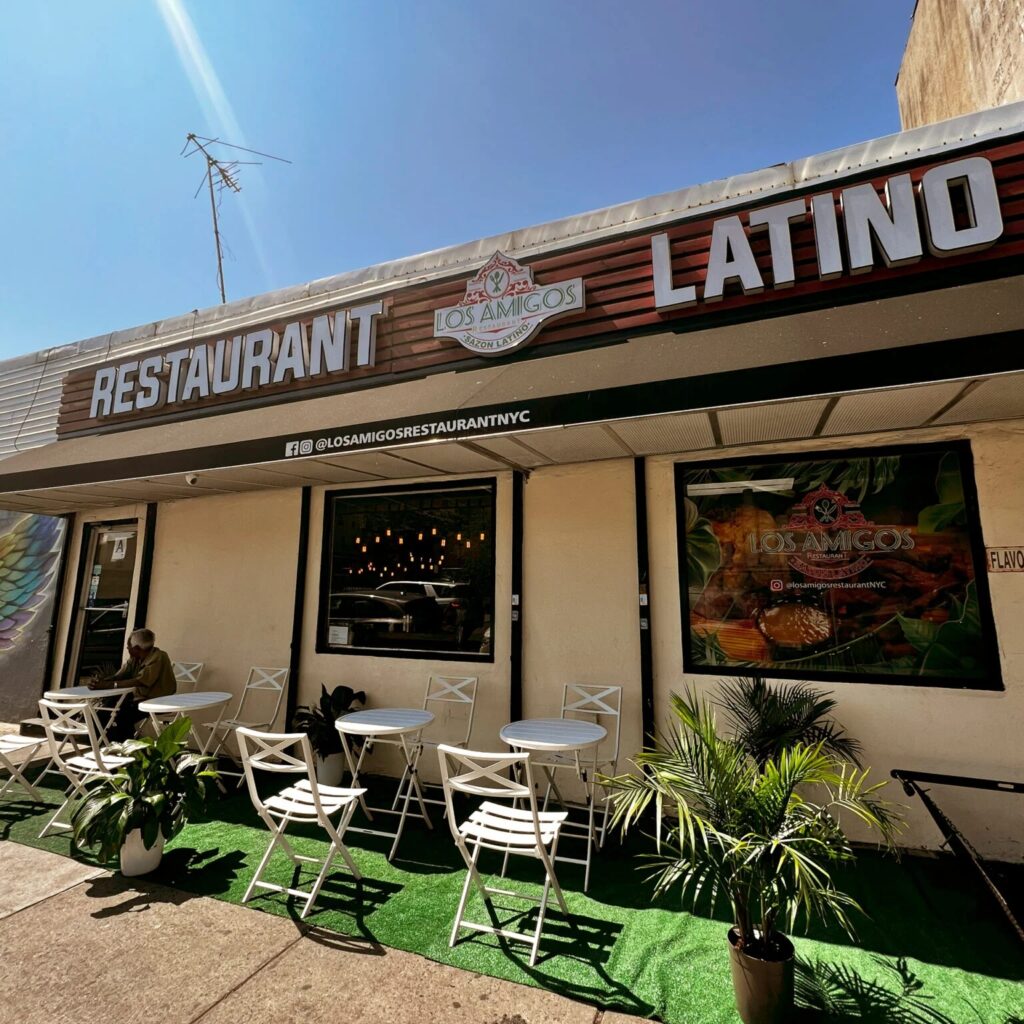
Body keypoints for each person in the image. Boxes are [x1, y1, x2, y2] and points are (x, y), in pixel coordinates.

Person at [89, 628, 176, 742]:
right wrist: (100, 681)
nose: (127, 648)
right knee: (103, 711)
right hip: (138, 699)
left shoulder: (159, 656)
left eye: (128, 646)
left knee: (122, 716)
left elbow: (140, 681)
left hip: (158, 701)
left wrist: (109, 685)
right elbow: (119, 676)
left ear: (137, 648)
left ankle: (127, 747)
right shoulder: (135, 658)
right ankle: (105, 744)